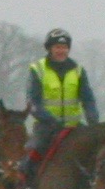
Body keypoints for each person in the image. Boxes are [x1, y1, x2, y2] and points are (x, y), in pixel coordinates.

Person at [20, 28, 96, 171]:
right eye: (58, 47)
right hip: (46, 127)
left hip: (74, 127)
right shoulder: (38, 69)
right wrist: (51, 120)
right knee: (30, 158)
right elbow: (33, 103)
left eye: (65, 47)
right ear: (50, 48)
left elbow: (88, 99)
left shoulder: (78, 70)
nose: (62, 51)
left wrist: (93, 120)